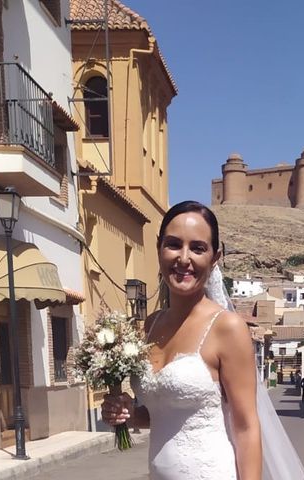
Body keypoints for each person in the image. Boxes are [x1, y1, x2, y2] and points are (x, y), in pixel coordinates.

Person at [101, 201, 261, 479]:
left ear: (215, 258)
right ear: (159, 247)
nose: (184, 258)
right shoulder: (150, 326)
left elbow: (246, 427)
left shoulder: (227, 328)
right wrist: (128, 414)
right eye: (173, 244)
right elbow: (165, 415)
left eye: (198, 248)